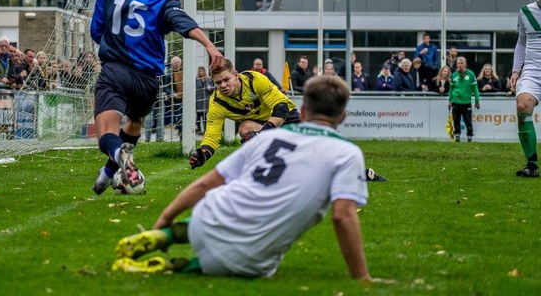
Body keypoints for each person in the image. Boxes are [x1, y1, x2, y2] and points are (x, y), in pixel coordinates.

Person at [112, 75, 373, 285]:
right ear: (342, 116)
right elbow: (342, 216)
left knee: (226, 204)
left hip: (207, 216)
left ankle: (165, 237)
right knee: (251, 264)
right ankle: (165, 267)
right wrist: (362, 278)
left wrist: (165, 220)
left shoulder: (267, 138)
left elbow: (207, 184)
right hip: (246, 253)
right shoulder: (347, 152)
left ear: (303, 111)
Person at [89, 0, 224, 195]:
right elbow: (185, 24)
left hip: (115, 72)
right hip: (147, 81)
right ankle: (108, 174)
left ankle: (121, 157)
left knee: (107, 133)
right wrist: (209, 45)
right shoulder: (166, 1)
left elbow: (96, 32)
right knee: (135, 122)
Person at [189, 59, 300, 169]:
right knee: (245, 129)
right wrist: (204, 154)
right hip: (260, 124)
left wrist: (261, 134)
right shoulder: (217, 103)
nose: (223, 85)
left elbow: (281, 107)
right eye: (218, 82)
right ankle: (269, 167)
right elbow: (211, 136)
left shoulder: (255, 79)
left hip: (286, 116)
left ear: (236, 75)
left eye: (227, 79)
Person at [510, 0, 541, 177]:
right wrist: (515, 71)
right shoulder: (526, 11)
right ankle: (532, 165)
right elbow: (521, 43)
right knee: (522, 106)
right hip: (532, 70)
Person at [448, 57, 480, 142]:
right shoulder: (454, 75)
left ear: (465, 64)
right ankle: (457, 136)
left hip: (466, 102)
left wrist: (477, 101)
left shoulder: (471, 74)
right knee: (456, 120)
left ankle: (469, 136)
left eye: (462, 63)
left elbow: (475, 89)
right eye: (458, 63)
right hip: (455, 101)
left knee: (468, 121)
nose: (460, 65)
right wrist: (450, 100)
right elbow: (451, 89)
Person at [195, 66, 214, 133]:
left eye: (201, 71)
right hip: (198, 100)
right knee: (198, 116)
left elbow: (212, 88)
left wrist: (207, 86)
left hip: (205, 100)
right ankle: (199, 129)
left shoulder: (208, 79)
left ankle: (205, 130)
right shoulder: (196, 80)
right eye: (199, 71)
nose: (200, 72)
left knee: (205, 116)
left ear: (204, 72)